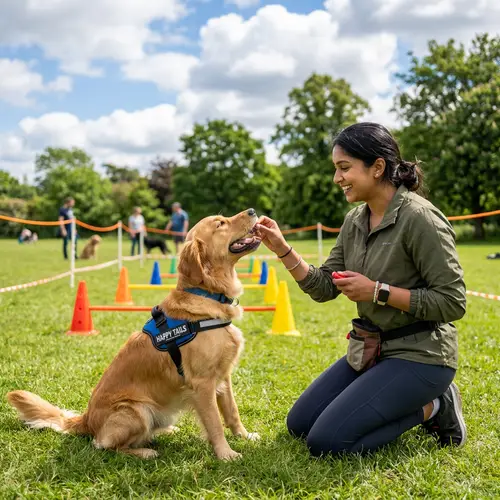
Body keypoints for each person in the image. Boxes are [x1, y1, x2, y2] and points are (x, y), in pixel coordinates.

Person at [255, 122, 467, 457]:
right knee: (299, 425)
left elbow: (453, 302)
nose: (337, 179)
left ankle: (435, 406)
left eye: (344, 168)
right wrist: (283, 248)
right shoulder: (355, 220)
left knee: (326, 443)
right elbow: (324, 287)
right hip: (371, 351)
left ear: (377, 167)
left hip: (423, 357)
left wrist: (378, 292)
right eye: (336, 169)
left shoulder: (420, 219)